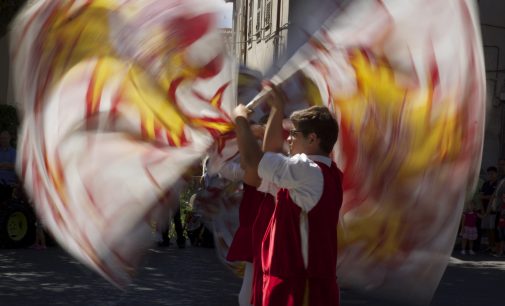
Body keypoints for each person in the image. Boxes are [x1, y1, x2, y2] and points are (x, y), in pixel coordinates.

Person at [233, 91, 343, 306]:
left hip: (298, 288)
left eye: (294, 133)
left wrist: (240, 120)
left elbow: (255, 162)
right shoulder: (322, 173)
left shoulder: (307, 170)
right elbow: (259, 168)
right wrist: (277, 108)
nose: (289, 138)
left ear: (312, 138)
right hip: (304, 284)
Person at [480, 166, 499, 252]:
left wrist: (486, 197)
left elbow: (494, 197)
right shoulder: (485, 184)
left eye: (492, 173)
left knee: (492, 229)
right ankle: (489, 245)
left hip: (493, 210)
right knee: (487, 228)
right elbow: (481, 196)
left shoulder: (498, 184)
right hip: (484, 209)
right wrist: (483, 209)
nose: (490, 175)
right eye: (489, 174)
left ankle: (494, 246)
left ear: (496, 174)